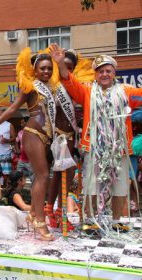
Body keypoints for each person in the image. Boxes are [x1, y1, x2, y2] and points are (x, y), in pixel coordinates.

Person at [51, 44, 142, 232]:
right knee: (92, 185)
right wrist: (60, 64)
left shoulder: (126, 92)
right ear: (95, 74)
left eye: (108, 71)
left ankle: (118, 221)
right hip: (94, 147)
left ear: (114, 72)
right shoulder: (87, 91)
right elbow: (69, 80)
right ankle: (90, 221)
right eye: (101, 71)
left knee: (121, 186)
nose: (105, 74)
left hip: (120, 148)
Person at [0, 49, 58, 241]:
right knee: (42, 176)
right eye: (42, 68)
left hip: (47, 136)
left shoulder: (52, 87)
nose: (46, 71)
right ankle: (40, 223)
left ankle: (34, 214)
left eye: (49, 68)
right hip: (32, 133)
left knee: (41, 178)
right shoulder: (30, 86)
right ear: (35, 69)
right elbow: (13, 108)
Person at [44, 50, 82, 231]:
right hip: (59, 136)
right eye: (63, 66)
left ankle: (54, 210)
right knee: (65, 171)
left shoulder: (76, 86)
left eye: (70, 67)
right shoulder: (53, 86)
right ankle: (56, 211)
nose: (66, 69)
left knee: (61, 173)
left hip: (72, 137)